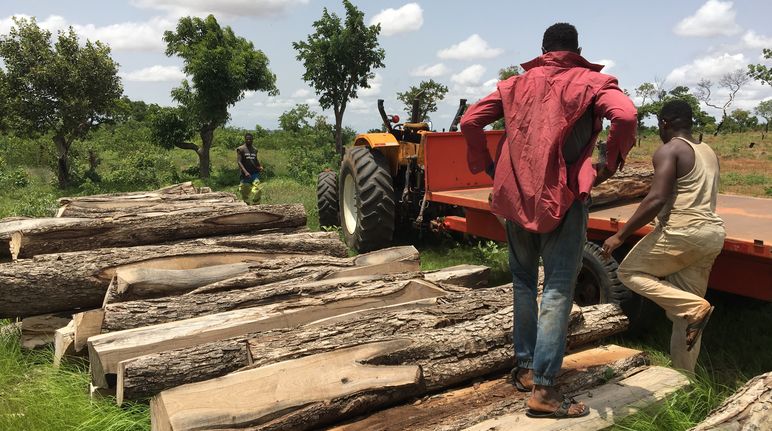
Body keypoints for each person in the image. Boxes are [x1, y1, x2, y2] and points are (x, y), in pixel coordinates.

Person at [460, 22, 637, 418]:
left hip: (515, 197)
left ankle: (525, 368)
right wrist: (609, 163)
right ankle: (543, 391)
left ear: (542, 49)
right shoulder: (592, 82)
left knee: (523, 282)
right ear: (577, 48)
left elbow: (471, 120)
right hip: (564, 199)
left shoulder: (513, 85)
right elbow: (625, 116)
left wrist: (488, 166)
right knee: (558, 287)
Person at [603, 99, 725, 373]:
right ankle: (686, 380)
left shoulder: (669, 150)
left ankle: (696, 307)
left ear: (665, 124)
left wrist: (620, 236)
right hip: (711, 234)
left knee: (628, 273)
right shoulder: (707, 151)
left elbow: (656, 198)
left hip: (683, 232)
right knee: (685, 317)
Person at [236, 133, 263, 204]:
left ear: (252, 140)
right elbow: (239, 162)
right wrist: (245, 172)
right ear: (245, 139)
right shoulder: (241, 149)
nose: (248, 140)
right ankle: (246, 204)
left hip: (254, 173)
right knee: (244, 191)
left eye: (250, 139)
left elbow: (255, 159)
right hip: (245, 174)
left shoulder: (255, 149)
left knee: (258, 189)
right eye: (247, 139)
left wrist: (259, 166)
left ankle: (256, 204)